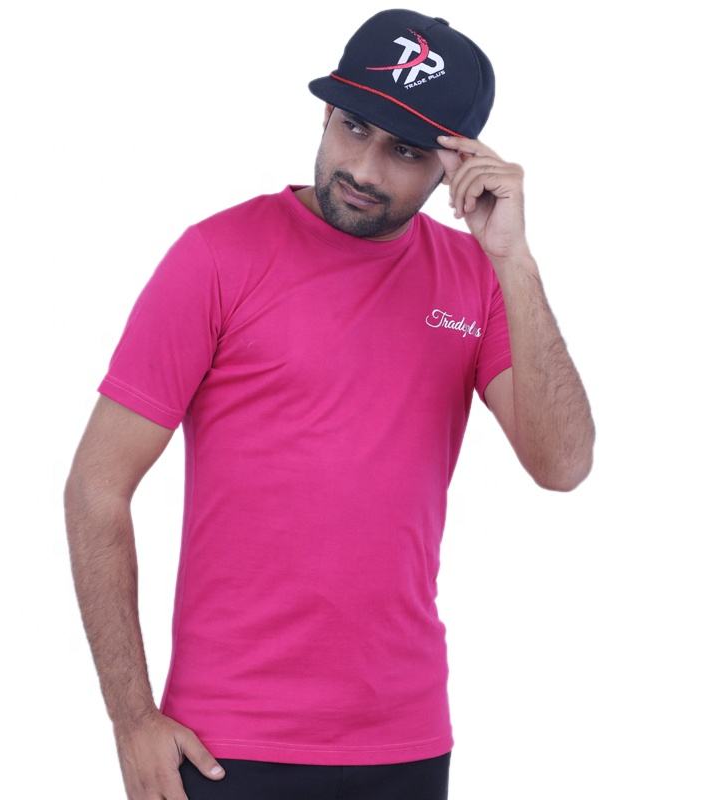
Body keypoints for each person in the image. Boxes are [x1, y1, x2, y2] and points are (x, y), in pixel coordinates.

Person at [63, 8, 595, 800]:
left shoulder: (478, 278)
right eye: (353, 127)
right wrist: (131, 719)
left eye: (405, 151)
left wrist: (514, 258)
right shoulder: (217, 256)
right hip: (226, 743)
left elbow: (564, 465)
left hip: (407, 741)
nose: (365, 169)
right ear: (326, 112)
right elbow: (96, 487)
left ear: (455, 166)